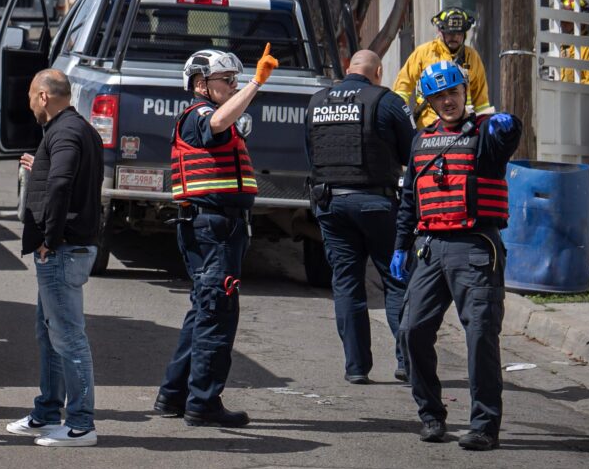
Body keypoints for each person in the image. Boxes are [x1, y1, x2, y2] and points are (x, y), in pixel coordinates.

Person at [390, 61, 521, 451]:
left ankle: (484, 426)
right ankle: (431, 415)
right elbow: (409, 200)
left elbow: (507, 137)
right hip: (430, 249)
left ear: (465, 93)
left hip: (476, 247)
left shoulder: (484, 134)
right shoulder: (421, 140)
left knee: (480, 336)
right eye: (438, 95)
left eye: (453, 93)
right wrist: (400, 246)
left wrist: (506, 125)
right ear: (427, 101)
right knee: (412, 332)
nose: (446, 101)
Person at [154, 43, 279, 428]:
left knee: (203, 311)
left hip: (218, 225)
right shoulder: (200, 114)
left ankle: (173, 395)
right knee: (216, 315)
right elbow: (220, 122)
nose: (233, 84)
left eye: (235, 79)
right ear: (201, 84)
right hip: (214, 227)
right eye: (226, 80)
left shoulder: (210, 112)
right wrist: (257, 83)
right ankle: (203, 403)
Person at [304, 49, 415, 385]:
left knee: (347, 285)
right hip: (377, 205)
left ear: (347, 68)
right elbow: (413, 152)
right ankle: (407, 363)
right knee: (396, 280)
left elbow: (311, 153)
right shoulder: (387, 101)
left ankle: (355, 367)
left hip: (331, 205)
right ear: (378, 71)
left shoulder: (317, 102)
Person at [7, 68, 105, 448]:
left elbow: (63, 183)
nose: (29, 102)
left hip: (62, 251)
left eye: (31, 95)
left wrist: (50, 236)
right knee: (48, 334)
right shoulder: (74, 130)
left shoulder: (64, 131)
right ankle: (47, 413)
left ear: (44, 96)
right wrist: (41, 168)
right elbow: (63, 175)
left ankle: (81, 424)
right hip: (65, 249)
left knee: (67, 338)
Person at [392, 7, 493, 129]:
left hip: (463, 126)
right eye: (450, 33)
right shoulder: (424, 53)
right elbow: (403, 88)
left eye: (458, 33)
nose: (454, 37)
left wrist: (485, 126)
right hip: (428, 125)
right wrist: (398, 118)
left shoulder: (472, 57)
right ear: (440, 31)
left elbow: (481, 101)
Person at [558, 0, 589, 84]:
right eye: (561, 20)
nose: (562, 24)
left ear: (581, 21)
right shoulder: (562, 46)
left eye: (567, 21)